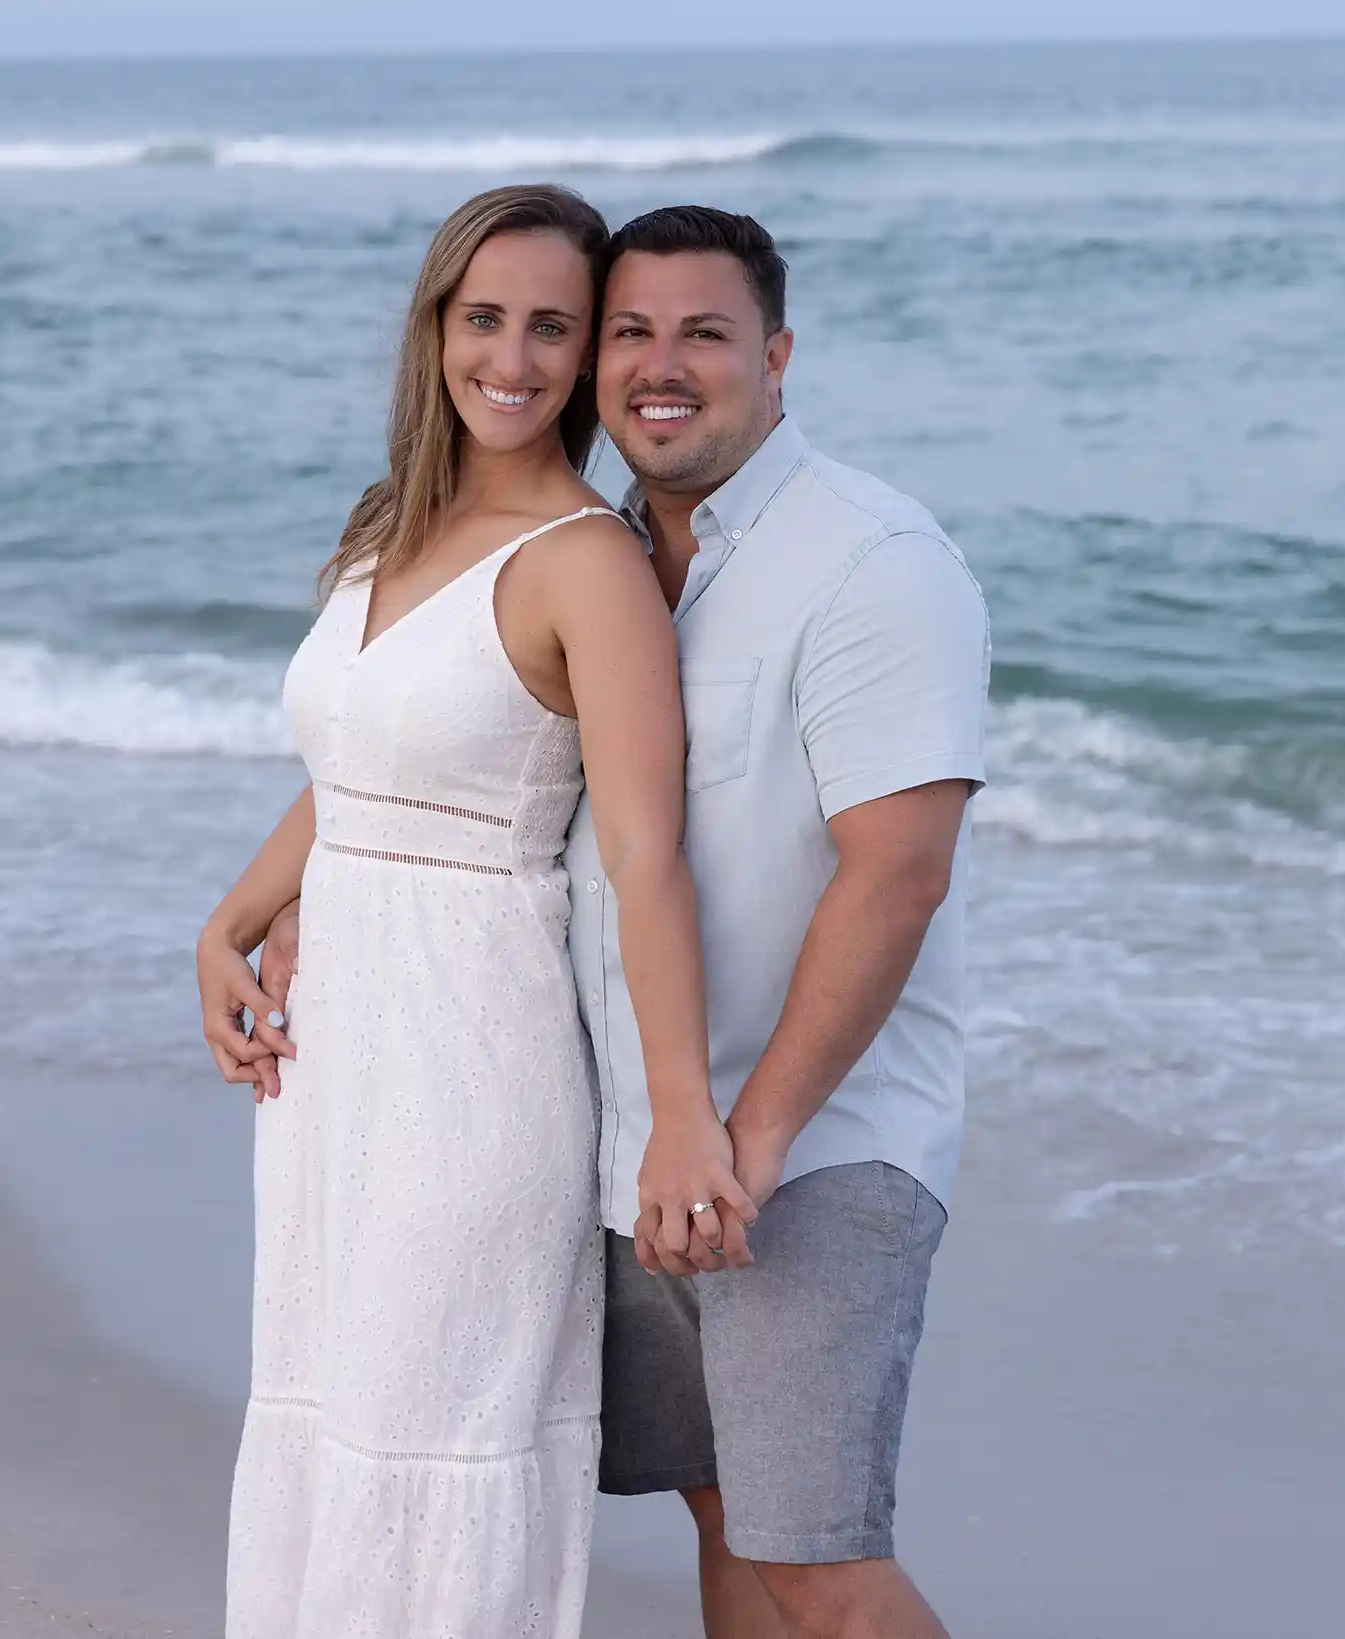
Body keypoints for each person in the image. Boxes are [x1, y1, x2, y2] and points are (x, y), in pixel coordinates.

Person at [252, 206, 988, 1639]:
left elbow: (897, 872)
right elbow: (450, 761)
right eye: (632, 332)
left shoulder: (871, 560)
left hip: (810, 1143)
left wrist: (744, 1134)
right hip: (624, 1135)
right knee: (728, 1512)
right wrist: (285, 897)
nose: (662, 364)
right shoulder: (616, 552)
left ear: (776, 357)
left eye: (702, 333)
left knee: (814, 1553)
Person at [192, 183, 753, 1639]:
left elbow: (645, 858)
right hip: (332, 1072)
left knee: (433, 1443)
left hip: (468, 1068)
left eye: (552, 327)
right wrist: (228, 922)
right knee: (332, 1409)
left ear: (581, 359)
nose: (510, 356)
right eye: (484, 315)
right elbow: (359, 771)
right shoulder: (397, 526)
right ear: (435, 325)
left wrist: (682, 1115)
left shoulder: (584, 563)